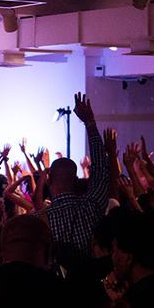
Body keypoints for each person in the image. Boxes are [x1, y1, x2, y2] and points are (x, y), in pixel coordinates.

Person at [42, 93, 110, 273]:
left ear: (49, 179)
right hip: (91, 284)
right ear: (76, 179)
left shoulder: (40, 220)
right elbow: (101, 170)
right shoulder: (91, 207)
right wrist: (90, 123)